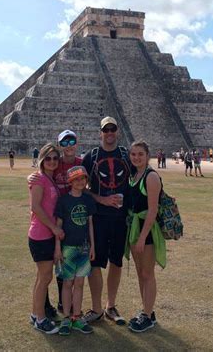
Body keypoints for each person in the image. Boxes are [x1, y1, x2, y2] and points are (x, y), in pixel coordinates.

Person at [81, 116, 131, 325]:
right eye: (106, 130)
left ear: (117, 131)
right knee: (95, 263)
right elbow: (81, 187)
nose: (109, 133)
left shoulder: (126, 155)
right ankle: (96, 308)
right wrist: (101, 198)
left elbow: (139, 178)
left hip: (121, 219)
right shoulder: (91, 157)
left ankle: (110, 305)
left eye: (113, 129)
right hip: (98, 219)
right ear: (100, 132)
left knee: (116, 262)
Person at [28, 130, 83, 318]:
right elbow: (36, 203)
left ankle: (62, 304)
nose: (52, 161)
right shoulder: (44, 175)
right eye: (64, 142)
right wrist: (32, 175)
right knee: (45, 275)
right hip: (49, 229)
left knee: (62, 267)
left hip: (66, 225)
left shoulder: (79, 165)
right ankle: (41, 310)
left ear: (77, 143)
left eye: (72, 141)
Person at [124, 140, 165, 333]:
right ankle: (147, 311)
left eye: (140, 154)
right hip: (134, 228)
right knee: (141, 273)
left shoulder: (151, 177)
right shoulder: (134, 175)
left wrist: (142, 237)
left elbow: (152, 210)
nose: (136, 157)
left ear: (147, 155)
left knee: (147, 273)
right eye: (133, 154)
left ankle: (147, 316)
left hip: (145, 231)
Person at [55, 166, 96, 335]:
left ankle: (77, 317)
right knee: (67, 283)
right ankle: (66, 317)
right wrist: (57, 247)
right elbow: (58, 225)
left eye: (83, 179)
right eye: (76, 179)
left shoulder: (88, 200)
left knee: (79, 283)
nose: (80, 182)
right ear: (70, 181)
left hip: (84, 247)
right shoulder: (64, 201)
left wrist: (93, 245)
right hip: (68, 248)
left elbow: (90, 224)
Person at [28, 143, 63, 334]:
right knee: (45, 277)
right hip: (41, 234)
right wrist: (54, 228)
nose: (52, 161)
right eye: (48, 158)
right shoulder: (40, 179)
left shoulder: (50, 179)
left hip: (47, 234)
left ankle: (35, 313)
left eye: (55, 158)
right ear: (42, 159)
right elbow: (36, 207)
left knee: (42, 277)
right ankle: (41, 319)